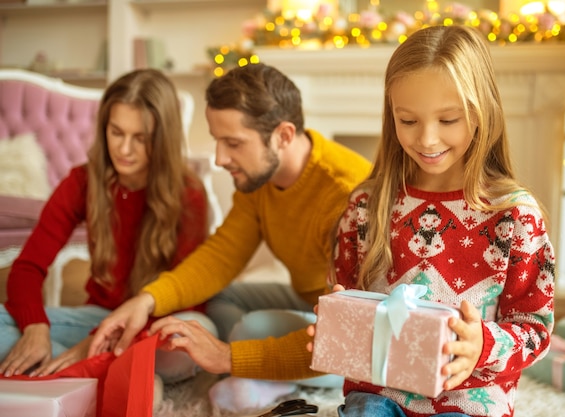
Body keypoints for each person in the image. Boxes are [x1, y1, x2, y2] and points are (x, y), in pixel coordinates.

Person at [89, 63, 372, 411]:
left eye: (233, 143)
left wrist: (225, 356)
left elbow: (350, 332)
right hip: (310, 299)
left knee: (249, 330)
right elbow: (222, 256)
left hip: (353, 331)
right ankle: (259, 370)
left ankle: (258, 379)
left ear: (283, 135)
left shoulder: (346, 194)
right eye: (217, 140)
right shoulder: (259, 177)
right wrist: (146, 300)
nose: (220, 158)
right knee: (219, 298)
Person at [309, 25, 555, 417]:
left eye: (448, 120)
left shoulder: (515, 216)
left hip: (469, 397)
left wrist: (482, 345)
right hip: (380, 390)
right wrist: (336, 325)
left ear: (481, 113)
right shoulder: (365, 205)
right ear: (391, 116)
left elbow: (535, 327)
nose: (426, 139)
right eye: (408, 121)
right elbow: (346, 294)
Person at [0, 69, 216, 389]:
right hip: (97, 317)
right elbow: (28, 267)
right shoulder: (81, 182)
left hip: (159, 323)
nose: (124, 150)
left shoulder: (189, 193)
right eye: (117, 132)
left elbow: (188, 299)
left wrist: (90, 347)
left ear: (162, 138)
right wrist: (35, 329)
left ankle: (79, 370)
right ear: (104, 129)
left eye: (140, 138)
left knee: (191, 338)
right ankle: (118, 376)